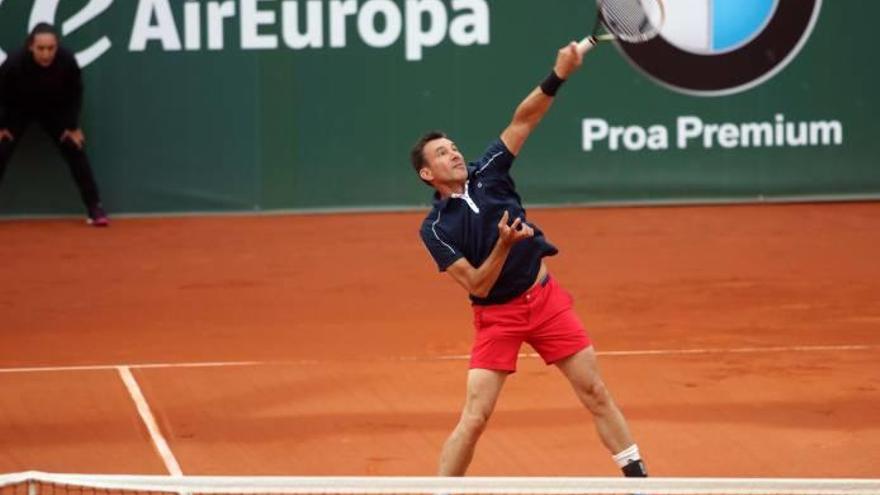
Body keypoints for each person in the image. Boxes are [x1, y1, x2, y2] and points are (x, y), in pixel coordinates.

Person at [411, 41, 648, 477]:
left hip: (545, 300)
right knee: (476, 416)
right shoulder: (435, 229)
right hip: (497, 317)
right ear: (428, 174)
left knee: (594, 390)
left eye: (454, 147)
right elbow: (478, 286)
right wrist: (504, 244)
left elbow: (525, 118)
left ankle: (638, 480)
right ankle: (442, 490)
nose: (455, 153)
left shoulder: (490, 171)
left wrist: (559, 75)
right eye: (442, 153)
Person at [0, 23, 108, 226]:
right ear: (30, 47)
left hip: (53, 112)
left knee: (75, 148)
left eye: (51, 48)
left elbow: (75, 93)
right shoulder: (13, 64)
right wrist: (2, 126)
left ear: (57, 47)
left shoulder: (67, 61)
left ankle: (95, 208)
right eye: (41, 48)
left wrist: (72, 126)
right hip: (18, 112)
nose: (46, 54)